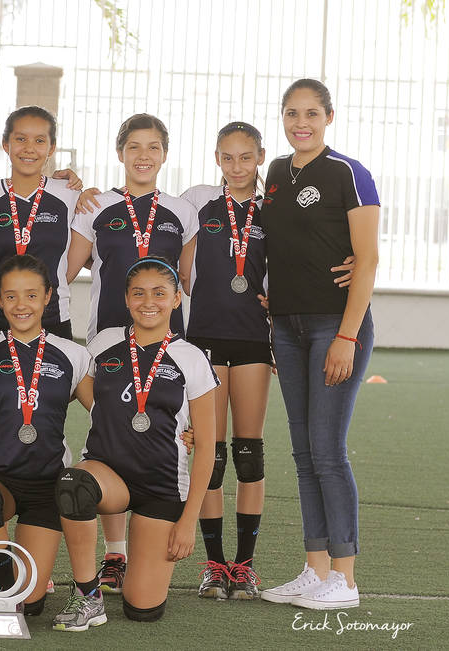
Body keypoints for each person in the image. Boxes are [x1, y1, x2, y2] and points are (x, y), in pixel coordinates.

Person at [259, 79, 378, 611]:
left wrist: (347, 336)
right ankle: (316, 569)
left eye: (311, 113)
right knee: (304, 453)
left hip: (336, 326)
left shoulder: (349, 173)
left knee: (328, 452)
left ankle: (345, 580)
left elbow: (367, 259)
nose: (300, 123)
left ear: (329, 116)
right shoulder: (276, 173)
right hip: (287, 328)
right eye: (292, 113)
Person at [67, 113, 199, 593]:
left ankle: (150, 534)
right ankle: (115, 554)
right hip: (110, 338)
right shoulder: (94, 205)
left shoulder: (182, 211)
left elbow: (191, 282)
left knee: (163, 435)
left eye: (154, 147)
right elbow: (63, 271)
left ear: (165, 154)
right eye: (135, 147)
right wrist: (63, 187)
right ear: (120, 152)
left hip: (165, 342)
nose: (144, 156)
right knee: (110, 437)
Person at [52, 257, 217, 630]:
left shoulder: (192, 358)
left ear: (176, 299)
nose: (149, 302)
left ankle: (135, 570)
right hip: (108, 476)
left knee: (142, 610)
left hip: (161, 487)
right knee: (73, 483)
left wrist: (188, 521)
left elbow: (208, 446)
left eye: (159, 293)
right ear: (126, 299)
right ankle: (88, 595)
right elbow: (74, 383)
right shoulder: (104, 343)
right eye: (138, 293)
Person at [0, 254, 92, 621]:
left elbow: (106, 414)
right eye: (11, 296)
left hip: (46, 484)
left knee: (31, 603)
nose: (22, 305)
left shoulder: (73, 355)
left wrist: (179, 431)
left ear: (48, 296)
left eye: (31, 295)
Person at [177, 122, 271, 599]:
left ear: (260, 157)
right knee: (211, 456)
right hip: (205, 341)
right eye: (228, 157)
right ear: (217, 158)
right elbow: (149, 218)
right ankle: (215, 565)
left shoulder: (272, 208)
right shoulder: (197, 200)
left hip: (254, 340)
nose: (237, 167)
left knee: (249, 455)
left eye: (246, 157)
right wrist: (76, 186)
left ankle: (245, 565)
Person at [0, 107, 80, 340]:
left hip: (52, 315)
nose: (29, 148)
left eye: (39, 140)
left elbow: (89, 250)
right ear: (6, 144)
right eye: (20, 139)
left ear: (51, 148)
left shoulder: (69, 193)